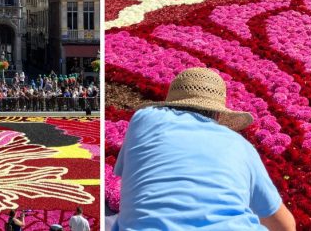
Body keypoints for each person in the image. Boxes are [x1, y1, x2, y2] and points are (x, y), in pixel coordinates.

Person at [112, 68, 295, 231]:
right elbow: (285, 225)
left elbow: (127, 177)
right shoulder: (240, 146)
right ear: (218, 114)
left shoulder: (143, 119)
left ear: (170, 103)